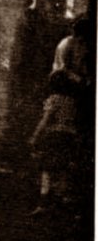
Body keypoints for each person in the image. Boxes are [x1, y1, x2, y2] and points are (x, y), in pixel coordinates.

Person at [29, 71, 80, 217]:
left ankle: (44, 203)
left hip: (55, 136)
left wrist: (35, 136)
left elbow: (45, 120)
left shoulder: (53, 99)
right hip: (69, 137)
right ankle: (62, 200)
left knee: (47, 169)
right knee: (63, 169)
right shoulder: (71, 102)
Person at [53, 17, 92, 88]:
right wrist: (78, 79)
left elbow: (82, 64)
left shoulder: (82, 45)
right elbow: (62, 69)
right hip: (62, 80)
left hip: (76, 79)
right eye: (81, 41)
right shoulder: (66, 44)